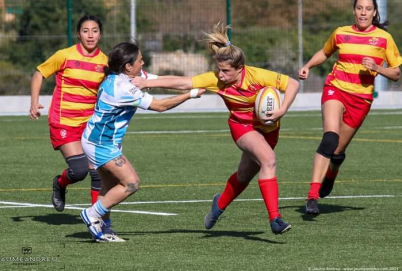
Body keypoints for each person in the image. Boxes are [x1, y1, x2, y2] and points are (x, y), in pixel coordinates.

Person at [132, 22, 299, 235]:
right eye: (219, 69)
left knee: (243, 176)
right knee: (269, 160)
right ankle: (275, 219)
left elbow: (292, 84)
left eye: (225, 71)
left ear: (240, 69)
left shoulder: (257, 75)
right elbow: (184, 83)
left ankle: (219, 204)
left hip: (269, 131)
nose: (220, 75)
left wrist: (283, 108)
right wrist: (146, 83)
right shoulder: (215, 79)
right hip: (242, 128)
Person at [79, 41, 204, 242]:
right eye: (139, 60)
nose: (143, 62)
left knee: (109, 186)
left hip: (97, 139)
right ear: (128, 66)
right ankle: (92, 215)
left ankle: (103, 228)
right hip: (100, 143)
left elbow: (163, 80)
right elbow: (161, 106)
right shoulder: (122, 88)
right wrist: (190, 94)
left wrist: (196, 81)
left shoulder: (126, 76)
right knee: (131, 183)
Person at [298, 0, 402, 215]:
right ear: (354, 11)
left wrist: (377, 67)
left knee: (336, 151)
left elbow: (396, 73)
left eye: (368, 9)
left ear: (374, 13)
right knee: (329, 139)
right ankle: (312, 197)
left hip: (361, 100)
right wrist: (307, 65)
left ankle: (331, 175)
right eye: (359, 8)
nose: (363, 13)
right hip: (336, 89)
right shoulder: (340, 33)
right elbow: (325, 52)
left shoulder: (384, 38)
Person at [29, 16, 108, 216]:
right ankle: (60, 183)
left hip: (90, 123)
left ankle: (95, 219)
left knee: (96, 172)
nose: (90, 35)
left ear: (100, 33)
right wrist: (34, 102)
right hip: (63, 121)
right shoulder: (64, 55)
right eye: (85, 31)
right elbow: (39, 74)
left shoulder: (105, 62)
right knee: (79, 170)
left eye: (95, 31)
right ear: (78, 33)